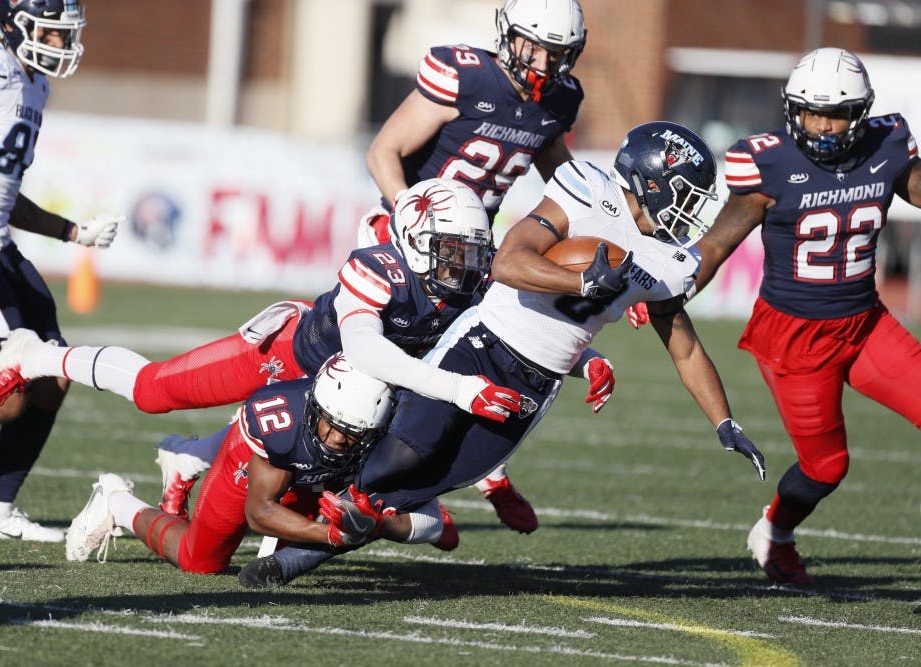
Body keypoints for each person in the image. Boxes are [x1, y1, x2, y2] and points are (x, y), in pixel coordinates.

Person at [239, 121, 768, 589]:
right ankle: (279, 502)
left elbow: (685, 345)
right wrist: (580, 278)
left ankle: (292, 562)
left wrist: (724, 422)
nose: (692, 208)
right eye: (686, 193)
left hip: (537, 384)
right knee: (398, 456)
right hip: (482, 343)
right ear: (651, 181)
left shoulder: (670, 262)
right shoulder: (585, 190)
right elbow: (509, 263)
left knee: (419, 486)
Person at [0, 179, 614, 523]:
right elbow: (367, 350)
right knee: (152, 391)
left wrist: (585, 357)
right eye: (453, 252)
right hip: (290, 359)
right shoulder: (378, 268)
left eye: (474, 254)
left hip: (344, 401)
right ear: (417, 241)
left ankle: (187, 467)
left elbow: (512, 330)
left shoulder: (470, 280)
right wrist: (457, 388)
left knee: (300, 481)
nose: (466, 267)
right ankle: (36, 355)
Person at [693, 48, 921, 587]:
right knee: (827, 467)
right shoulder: (768, 163)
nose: (821, 125)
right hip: (795, 339)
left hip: (866, 324)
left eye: (836, 113)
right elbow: (719, 243)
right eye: (811, 111)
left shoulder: (887, 146)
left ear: (860, 112)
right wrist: (665, 292)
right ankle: (776, 530)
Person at [358, 0, 588, 531]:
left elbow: (567, 185)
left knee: (474, 354)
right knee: (376, 363)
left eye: (558, 54)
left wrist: (606, 241)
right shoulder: (465, 75)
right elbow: (382, 153)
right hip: (406, 235)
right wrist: (411, 218)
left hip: (468, 255)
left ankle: (485, 471)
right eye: (535, 47)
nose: (544, 64)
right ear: (509, 35)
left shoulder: (559, 100)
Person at [0, 0, 123, 541]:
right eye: (50, 34)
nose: (61, 45)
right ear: (12, 25)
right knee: (4, 393)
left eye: (64, 35)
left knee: (55, 375)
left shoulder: (34, 85)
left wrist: (71, 231)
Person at [64, 354, 453, 571]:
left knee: (295, 541)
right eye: (330, 424)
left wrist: (380, 524)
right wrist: (330, 536)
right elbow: (259, 511)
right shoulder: (281, 419)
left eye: (351, 433)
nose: (336, 439)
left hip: (317, 478)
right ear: (316, 405)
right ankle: (116, 502)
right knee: (199, 561)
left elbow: (437, 524)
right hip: (268, 464)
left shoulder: (392, 435)